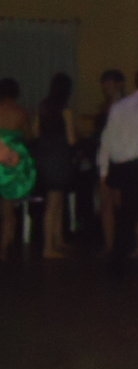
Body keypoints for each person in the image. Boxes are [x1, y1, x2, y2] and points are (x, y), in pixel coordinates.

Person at [98, 67, 138, 274]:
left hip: (122, 166)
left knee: (125, 216)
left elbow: (107, 138)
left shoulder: (119, 106)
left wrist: (104, 169)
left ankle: (117, 263)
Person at [34, 73, 76, 259]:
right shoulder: (65, 109)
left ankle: (58, 240)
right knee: (54, 203)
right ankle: (48, 247)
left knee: (56, 201)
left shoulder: (43, 106)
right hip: (59, 155)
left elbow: (35, 132)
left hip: (44, 154)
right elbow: (71, 139)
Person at [0, 78, 36, 260]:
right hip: (10, 164)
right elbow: (30, 137)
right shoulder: (21, 113)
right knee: (8, 210)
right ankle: (3, 248)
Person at [96, 69, 126, 254]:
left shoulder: (124, 105)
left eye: (110, 82)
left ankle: (126, 242)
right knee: (106, 202)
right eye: (104, 83)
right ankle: (110, 244)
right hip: (105, 155)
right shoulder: (105, 105)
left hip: (121, 156)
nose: (106, 86)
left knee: (122, 202)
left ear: (119, 84)